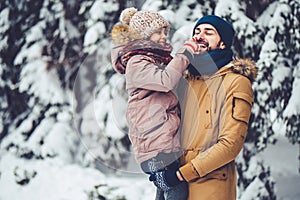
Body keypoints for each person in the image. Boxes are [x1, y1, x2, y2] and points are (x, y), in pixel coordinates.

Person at [147, 15, 258, 199]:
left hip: (210, 184)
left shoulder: (236, 82)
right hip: (176, 186)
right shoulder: (186, 80)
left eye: (209, 32)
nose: (200, 36)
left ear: (223, 43)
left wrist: (180, 175)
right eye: (197, 32)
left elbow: (230, 144)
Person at [110, 7, 202, 200]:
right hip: (154, 145)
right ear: (143, 36)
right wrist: (185, 54)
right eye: (158, 32)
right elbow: (165, 81)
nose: (163, 37)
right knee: (177, 189)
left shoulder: (152, 60)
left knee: (166, 189)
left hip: (162, 142)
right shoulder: (137, 62)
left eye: (165, 32)